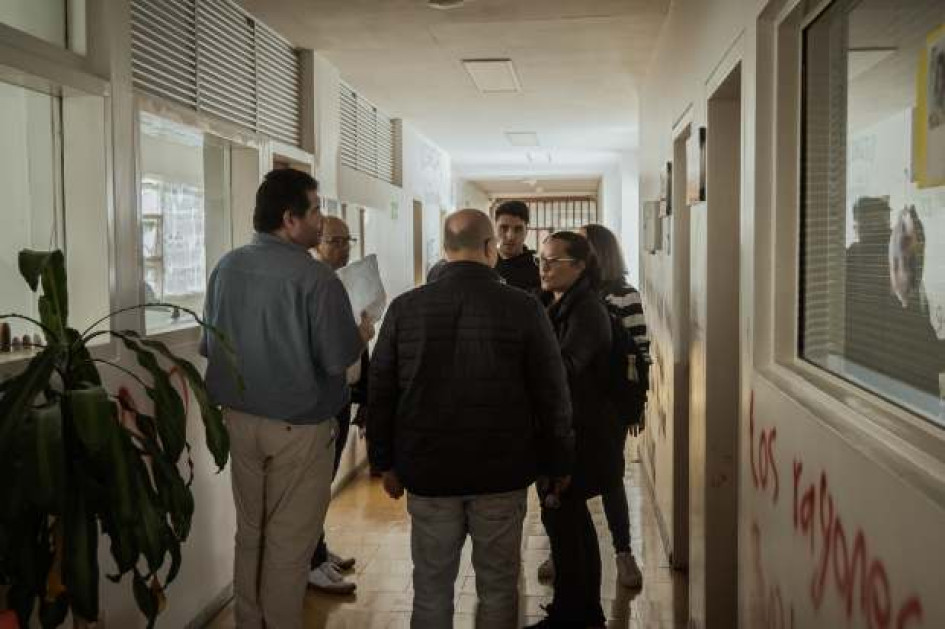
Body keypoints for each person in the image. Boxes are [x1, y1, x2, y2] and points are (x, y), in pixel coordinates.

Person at [368, 209, 574, 629]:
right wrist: (559, 462)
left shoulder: (405, 309)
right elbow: (552, 393)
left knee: (430, 585)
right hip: (502, 470)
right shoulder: (524, 308)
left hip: (428, 470)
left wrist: (383, 461)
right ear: (489, 248)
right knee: (498, 587)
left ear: (445, 249)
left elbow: (382, 390)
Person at [201, 168, 374, 629]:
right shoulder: (315, 278)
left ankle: (248, 621)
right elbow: (338, 357)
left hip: (239, 420)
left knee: (250, 533)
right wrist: (360, 333)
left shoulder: (226, 266)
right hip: (298, 429)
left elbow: (210, 345)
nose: (323, 220)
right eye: (316, 209)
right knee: (289, 542)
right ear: (289, 218)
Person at [526, 231, 622, 629]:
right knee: (568, 526)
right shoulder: (560, 303)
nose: (544, 268)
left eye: (554, 261)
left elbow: (564, 372)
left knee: (568, 526)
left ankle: (575, 615)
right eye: (542, 260)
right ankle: (579, 613)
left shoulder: (587, 311)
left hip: (579, 437)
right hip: (567, 433)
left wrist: (524, 363)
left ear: (580, 267)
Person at [579, 223, 646, 589]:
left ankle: (623, 553)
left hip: (610, 406)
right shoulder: (569, 293)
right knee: (566, 477)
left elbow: (641, 352)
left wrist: (638, 406)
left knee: (610, 476)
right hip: (574, 404)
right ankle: (562, 551)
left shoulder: (624, 294)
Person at [307, 215, 368, 595]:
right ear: (316, 243)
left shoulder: (342, 281)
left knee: (322, 484)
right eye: (336, 241)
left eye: (348, 240)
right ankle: (310, 562)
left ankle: (318, 551)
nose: (344, 247)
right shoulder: (314, 284)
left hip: (342, 396)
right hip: (321, 401)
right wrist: (361, 337)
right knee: (314, 487)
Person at [493, 199, 541, 292]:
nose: (510, 236)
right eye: (504, 228)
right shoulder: (484, 265)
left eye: (518, 229)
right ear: (495, 229)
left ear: (526, 231)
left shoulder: (539, 269)